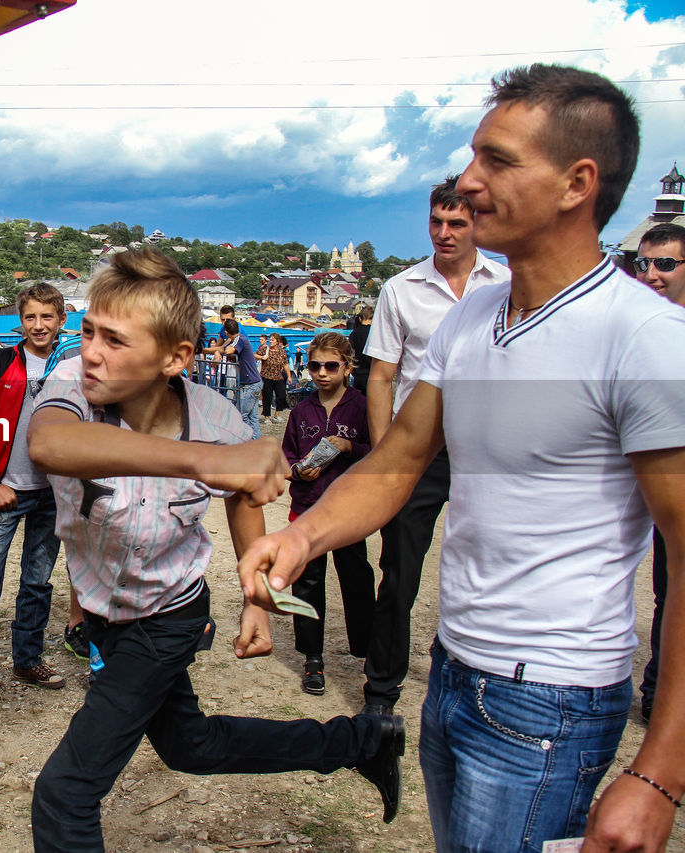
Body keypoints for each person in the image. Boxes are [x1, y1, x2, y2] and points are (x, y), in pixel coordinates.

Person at [240, 64, 685, 852]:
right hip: (454, 671)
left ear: (577, 182)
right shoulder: (474, 314)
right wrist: (302, 537)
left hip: (553, 699)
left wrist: (658, 771)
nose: (470, 183)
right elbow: (399, 458)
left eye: (498, 160)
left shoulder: (644, 337)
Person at [27, 248, 406, 851]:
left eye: (115, 341)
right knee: (192, 748)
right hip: (104, 616)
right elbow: (49, 444)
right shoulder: (74, 383)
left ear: (176, 357)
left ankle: (363, 739)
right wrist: (206, 459)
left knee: (65, 794)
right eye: (88, 331)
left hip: (169, 619)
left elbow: (244, 499)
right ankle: (363, 741)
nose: (92, 350)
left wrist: (260, 599)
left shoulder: (216, 416)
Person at [358, 176, 511, 716]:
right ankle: (381, 691)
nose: (444, 234)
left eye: (457, 223)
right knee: (399, 573)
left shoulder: (507, 284)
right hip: (418, 447)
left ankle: (483, 679)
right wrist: (383, 456)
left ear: (477, 224)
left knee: (487, 568)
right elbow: (381, 376)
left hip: (486, 448)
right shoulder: (401, 288)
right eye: (436, 223)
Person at [0, 283, 76, 689]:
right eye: (30, 317)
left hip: (52, 492)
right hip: (7, 489)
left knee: (37, 580)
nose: (38, 325)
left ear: (61, 320)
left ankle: (27, 658)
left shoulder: (71, 366)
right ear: (20, 321)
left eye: (47, 317)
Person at [280, 332, 374, 696]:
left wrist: (350, 445)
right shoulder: (302, 410)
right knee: (307, 583)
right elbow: (287, 454)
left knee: (356, 578)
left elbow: (379, 451)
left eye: (330, 365)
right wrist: (297, 469)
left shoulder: (364, 406)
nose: (321, 372)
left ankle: (367, 650)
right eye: (314, 365)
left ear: (347, 367)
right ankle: (312, 658)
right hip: (307, 506)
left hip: (350, 508)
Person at [632, 221, 685, 722]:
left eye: (666, 263)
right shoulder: (631, 330)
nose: (651, 273)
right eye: (643, 262)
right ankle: (656, 691)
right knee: (665, 586)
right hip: (648, 479)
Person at [257, 333, 288, 423]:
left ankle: (277, 414)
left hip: (278, 377)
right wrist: (262, 357)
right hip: (266, 376)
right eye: (270, 339)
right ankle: (267, 417)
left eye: (272, 340)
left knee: (282, 396)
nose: (270, 341)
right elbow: (254, 355)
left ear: (277, 341)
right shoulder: (265, 349)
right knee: (267, 397)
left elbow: (285, 364)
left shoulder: (282, 351)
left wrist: (289, 376)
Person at [347, 306, 373, 396]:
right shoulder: (374, 333)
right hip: (373, 374)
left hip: (358, 375)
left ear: (360, 318)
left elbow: (350, 355)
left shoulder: (353, 334)